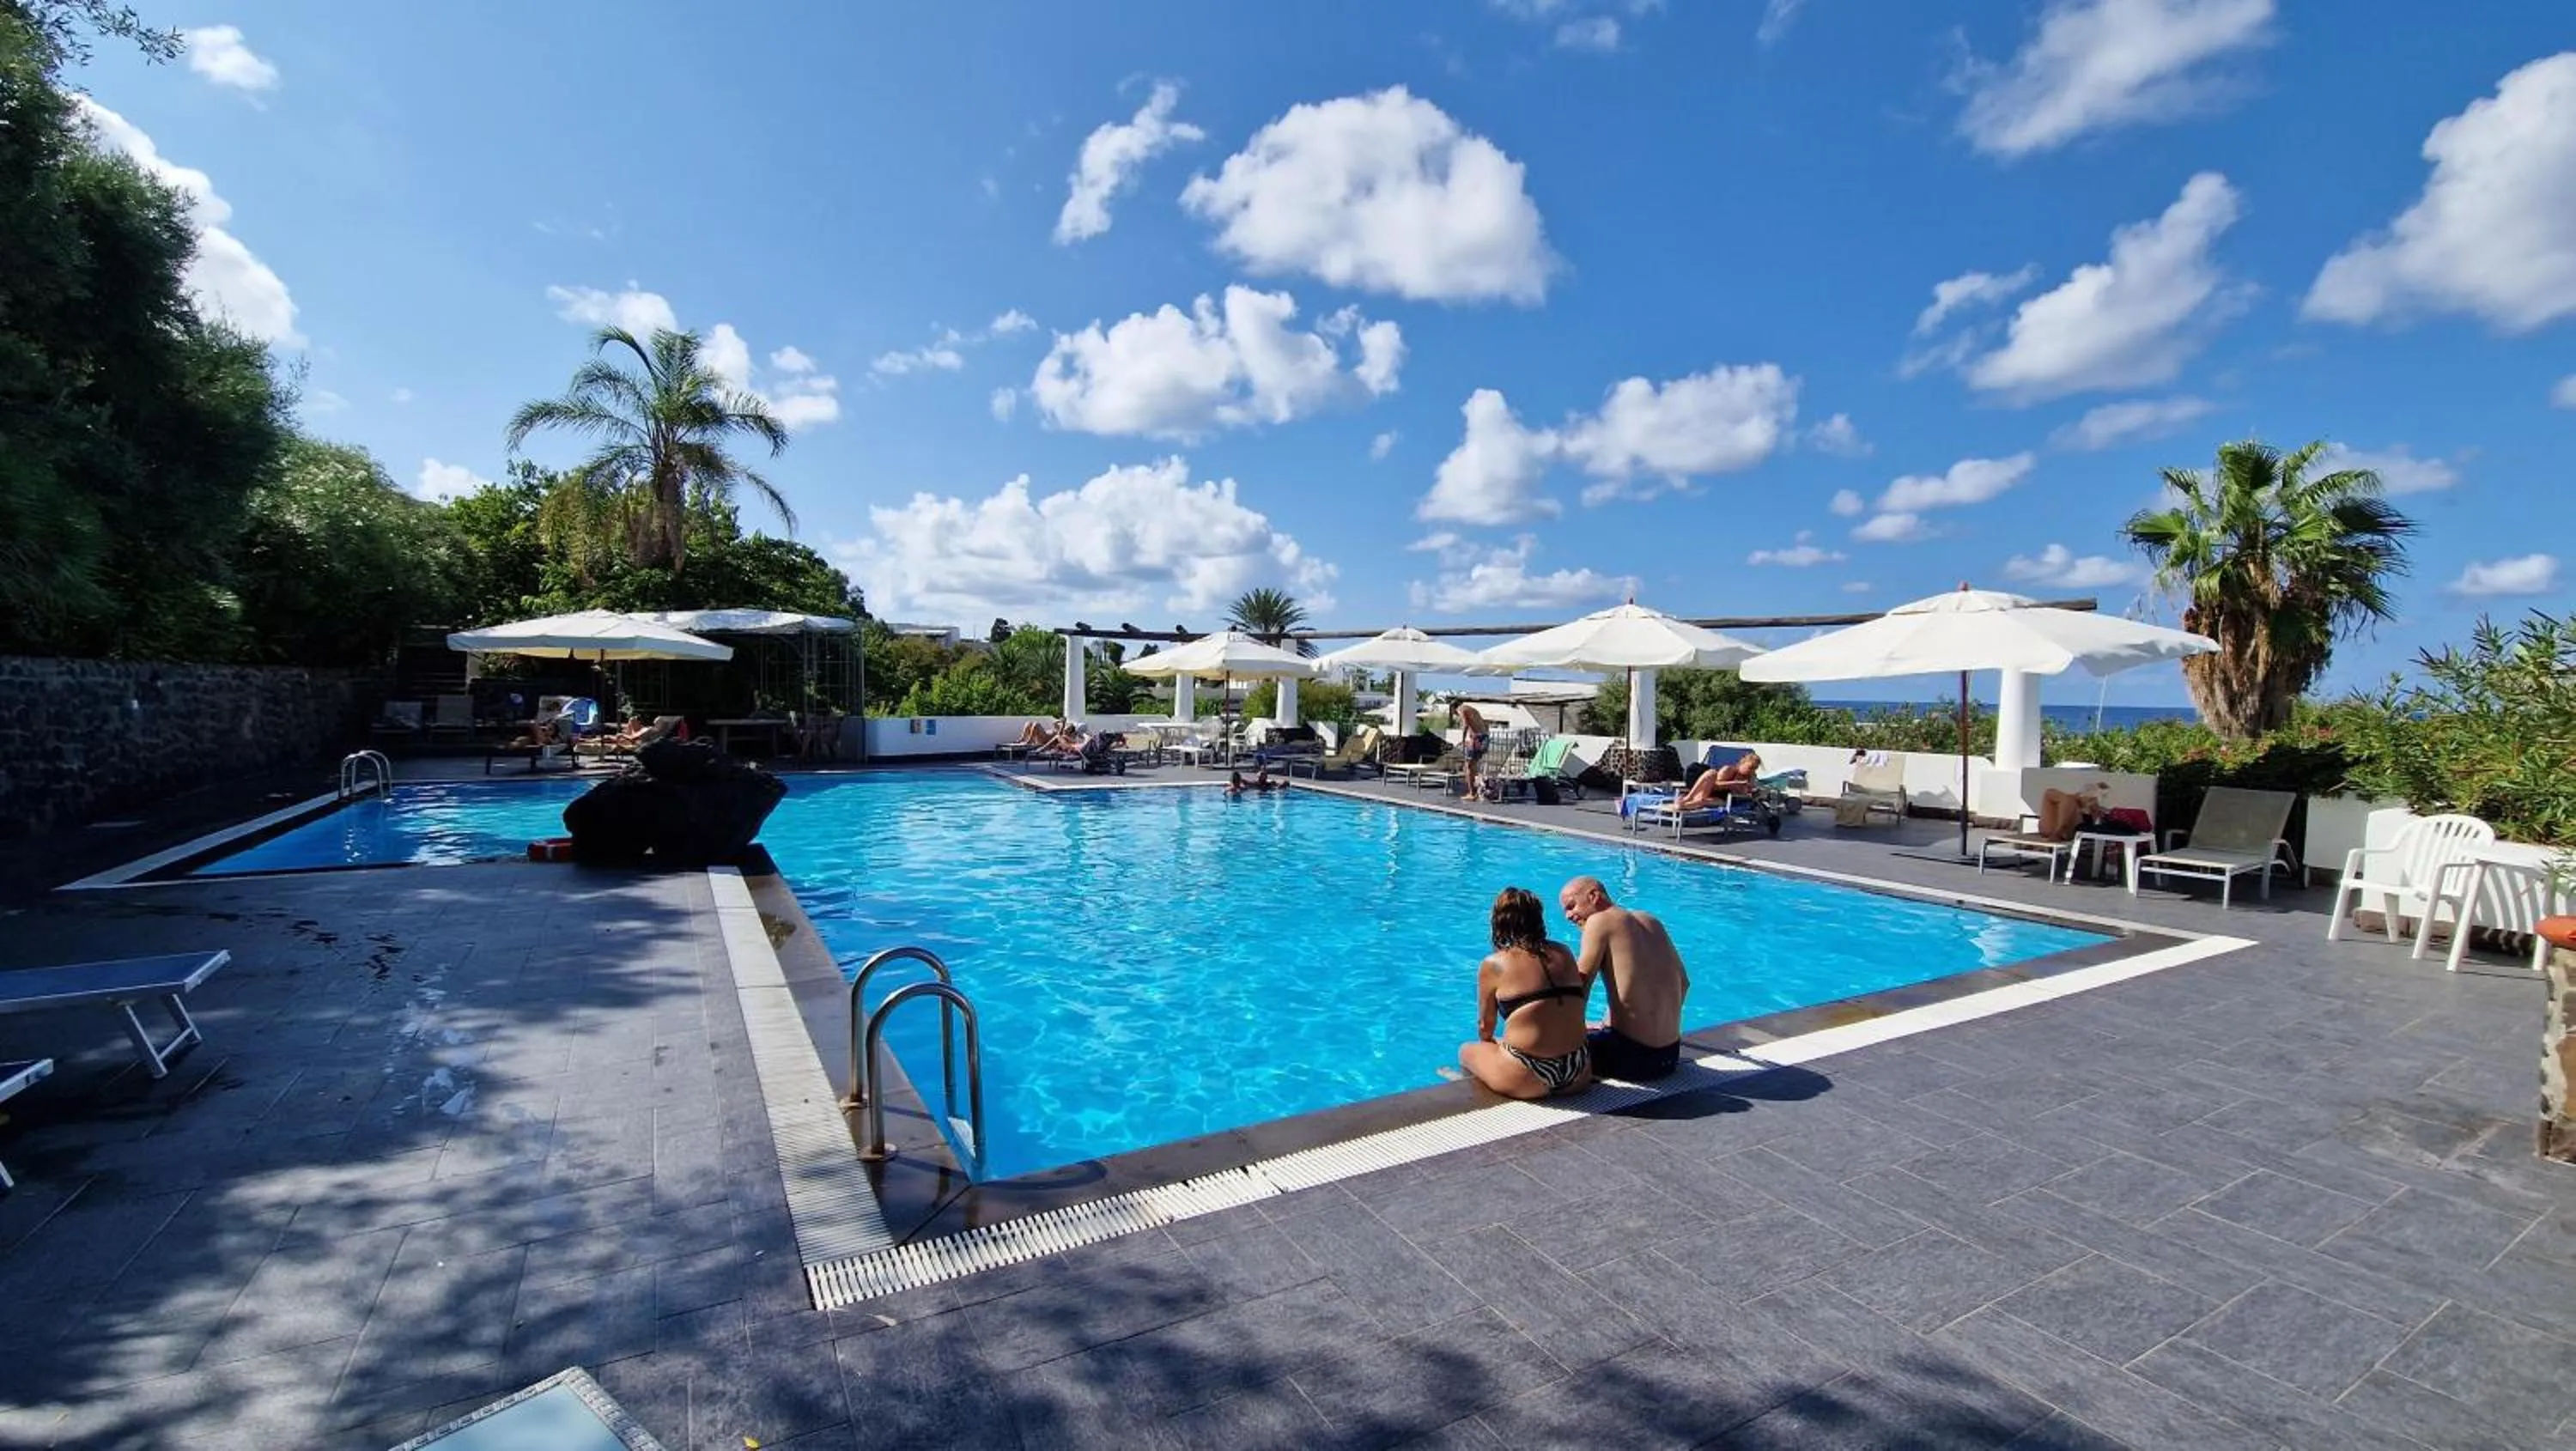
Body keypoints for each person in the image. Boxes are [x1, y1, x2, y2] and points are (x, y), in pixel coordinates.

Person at [1459, 887, 1594, 1099]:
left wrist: (1492, 1046)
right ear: (1538, 918)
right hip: (1578, 1070)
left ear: (1499, 921)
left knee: (1467, 1051)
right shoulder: (1564, 952)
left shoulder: (1494, 964)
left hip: (1525, 1076)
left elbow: (1485, 1027)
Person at [1559, 876, 1688, 1081]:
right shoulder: (1651, 921)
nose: (1568, 916)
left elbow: (1578, 989)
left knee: (1542, 1051)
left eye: (1571, 906)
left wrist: (1569, 1034)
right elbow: (1683, 983)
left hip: (1630, 1059)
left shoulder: (1600, 921)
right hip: (1670, 1056)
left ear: (1593, 896)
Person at [1674, 750, 1761, 810]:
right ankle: (1688, 797)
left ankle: (1682, 806)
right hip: (1711, 791)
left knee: (1703, 801)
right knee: (1712, 773)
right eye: (1750, 768)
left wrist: (1751, 791)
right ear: (1743, 763)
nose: (1752, 771)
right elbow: (1715, 786)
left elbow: (1746, 794)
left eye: (1755, 768)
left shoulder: (1750, 777)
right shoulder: (1728, 770)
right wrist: (1735, 784)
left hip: (1724, 799)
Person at [2034, 783, 2109, 840]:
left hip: (2066, 833)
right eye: (2090, 800)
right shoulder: (2069, 800)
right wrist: (2058, 831)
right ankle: (2059, 832)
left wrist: (2095, 813)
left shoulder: (2087, 808)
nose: (2091, 803)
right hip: (2053, 830)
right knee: (2069, 801)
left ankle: (2059, 831)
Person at [1456, 703, 1490, 800]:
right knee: (1473, 766)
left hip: (1477, 739)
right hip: (1484, 738)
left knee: (1468, 767)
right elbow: (1485, 725)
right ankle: (1476, 791)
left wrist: (1463, 740)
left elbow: (1466, 724)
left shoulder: (1461, 709)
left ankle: (1472, 794)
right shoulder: (1473, 710)